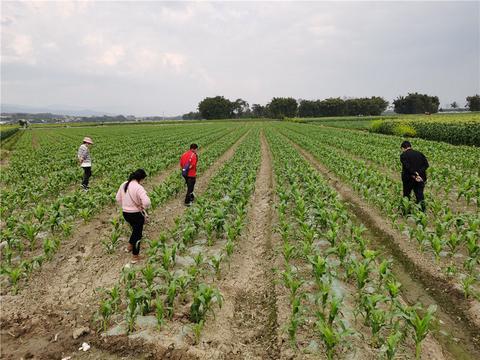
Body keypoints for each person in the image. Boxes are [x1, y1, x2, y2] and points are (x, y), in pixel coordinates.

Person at [116, 169, 151, 263]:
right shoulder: (138, 187)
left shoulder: (124, 184)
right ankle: (135, 256)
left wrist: (125, 206)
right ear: (141, 178)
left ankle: (129, 246)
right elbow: (147, 202)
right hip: (136, 214)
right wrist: (143, 207)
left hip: (125, 213)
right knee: (138, 235)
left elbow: (118, 198)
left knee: (135, 230)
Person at [400, 141, 429, 212]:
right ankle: (422, 212)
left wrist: (414, 174)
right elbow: (426, 165)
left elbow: (407, 167)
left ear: (403, 148)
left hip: (408, 179)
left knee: (407, 195)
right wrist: (418, 174)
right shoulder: (420, 154)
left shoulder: (403, 155)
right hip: (420, 178)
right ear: (410, 146)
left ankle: (406, 211)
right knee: (420, 195)